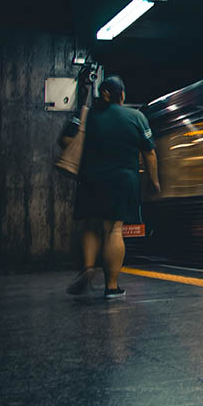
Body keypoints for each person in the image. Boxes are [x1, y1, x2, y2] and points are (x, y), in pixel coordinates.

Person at [62, 75, 159, 299]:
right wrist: (154, 181)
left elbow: (66, 141)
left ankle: (87, 268)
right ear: (122, 95)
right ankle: (112, 286)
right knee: (114, 229)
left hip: (91, 177)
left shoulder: (87, 115)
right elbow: (150, 152)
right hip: (122, 179)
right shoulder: (136, 116)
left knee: (91, 225)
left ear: (102, 94)